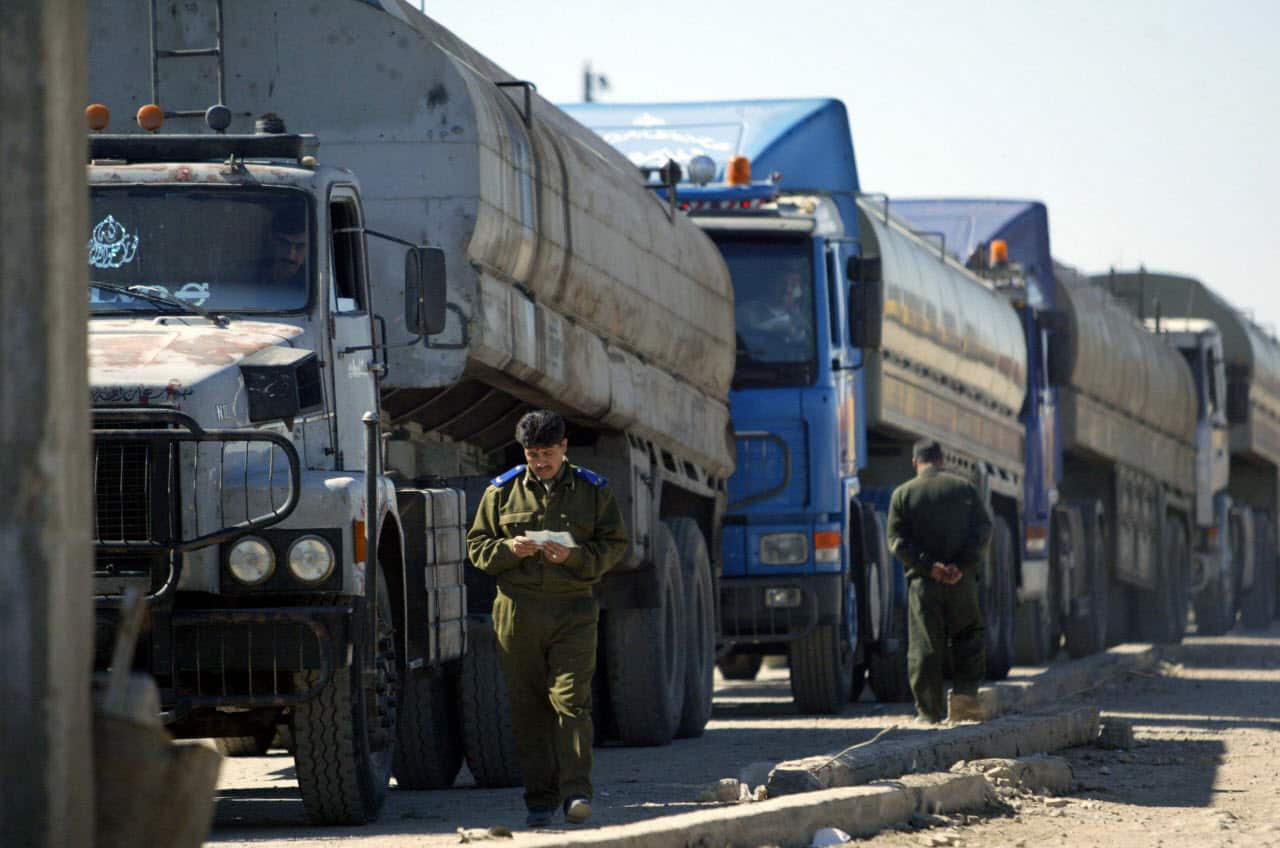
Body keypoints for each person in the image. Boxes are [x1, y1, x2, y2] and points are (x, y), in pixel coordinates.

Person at [466, 410, 629, 828]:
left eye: (547, 453)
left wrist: (574, 557)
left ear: (564, 448)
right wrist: (509, 550)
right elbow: (478, 548)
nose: (541, 462)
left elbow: (614, 545)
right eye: (533, 454)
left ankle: (576, 793)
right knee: (528, 709)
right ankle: (539, 801)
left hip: (572, 608)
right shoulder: (501, 493)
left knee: (571, 702)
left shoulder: (592, 491)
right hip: (517, 613)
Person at [886, 439, 992, 725]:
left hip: (924, 584)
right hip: (962, 582)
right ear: (941, 460)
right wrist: (960, 565)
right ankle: (966, 704)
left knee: (925, 646)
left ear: (915, 463)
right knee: (968, 636)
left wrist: (929, 567)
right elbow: (983, 531)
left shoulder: (903, 494)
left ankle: (928, 712)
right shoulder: (964, 489)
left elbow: (897, 542)